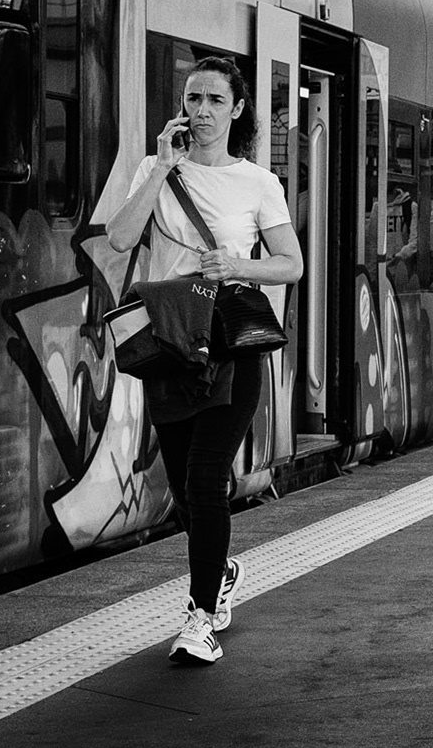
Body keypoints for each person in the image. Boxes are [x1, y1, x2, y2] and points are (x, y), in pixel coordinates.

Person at [103, 55, 303, 667]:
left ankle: (201, 618)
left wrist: (236, 265)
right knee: (184, 489)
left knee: (205, 477)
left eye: (216, 100)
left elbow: (291, 265)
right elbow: (119, 237)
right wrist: (162, 167)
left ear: (237, 109)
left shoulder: (258, 182)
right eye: (193, 99)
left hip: (230, 347)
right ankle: (221, 570)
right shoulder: (157, 169)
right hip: (172, 344)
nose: (203, 111)